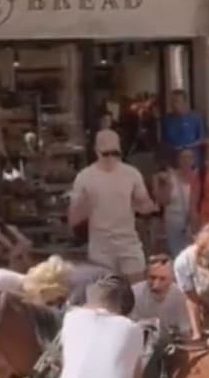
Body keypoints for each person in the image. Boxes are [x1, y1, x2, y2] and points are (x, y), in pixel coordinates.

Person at [68, 130, 158, 281]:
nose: (110, 158)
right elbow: (73, 219)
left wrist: (147, 203)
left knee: (137, 290)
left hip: (128, 243)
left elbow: (146, 207)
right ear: (96, 152)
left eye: (114, 153)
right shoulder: (85, 177)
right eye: (106, 153)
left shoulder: (131, 174)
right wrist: (85, 206)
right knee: (106, 294)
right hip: (101, 248)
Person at [174, 224, 209, 336]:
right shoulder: (182, 262)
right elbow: (191, 298)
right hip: (204, 301)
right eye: (201, 247)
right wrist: (197, 333)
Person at [153, 147, 201, 257]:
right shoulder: (169, 176)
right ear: (178, 160)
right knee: (177, 257)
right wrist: (164, 185)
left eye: (190, 157)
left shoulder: (200, 176)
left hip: (194, 225)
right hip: (173, 226)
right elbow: (163, 201)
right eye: (183, 157)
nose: (186, 160)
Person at [131, 254, 190, 337]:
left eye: (162, 279)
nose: (156, 284)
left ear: (172, 278)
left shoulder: (181, 296)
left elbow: (185, 330)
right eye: (152, 278)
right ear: (146, 276)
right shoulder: (133, 293)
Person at [160, 89, 206, 165]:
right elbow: (163, 141)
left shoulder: (196, 118)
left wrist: (185, 147)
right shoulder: (166, 120)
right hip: (173, 159)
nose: (173, 105)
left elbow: (202, 139)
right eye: (171, 102)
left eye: (176, 101)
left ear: (185, 102)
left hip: (193, 160)